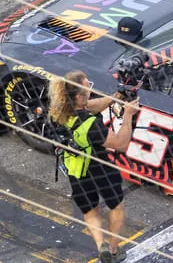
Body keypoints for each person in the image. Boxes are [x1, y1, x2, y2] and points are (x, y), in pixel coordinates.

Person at [49, 71, 139, 263]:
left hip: (75, 169)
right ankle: (114, 252)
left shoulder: (58, 112)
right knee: (116, 207)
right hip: (100, 168)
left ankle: (101, 246)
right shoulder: (91, 125)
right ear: (79, 97)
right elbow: (121, 144)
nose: (90, 89)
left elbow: (90, 106)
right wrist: (129, 115)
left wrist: (113, 99)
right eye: (87, 87)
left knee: (90, 209)